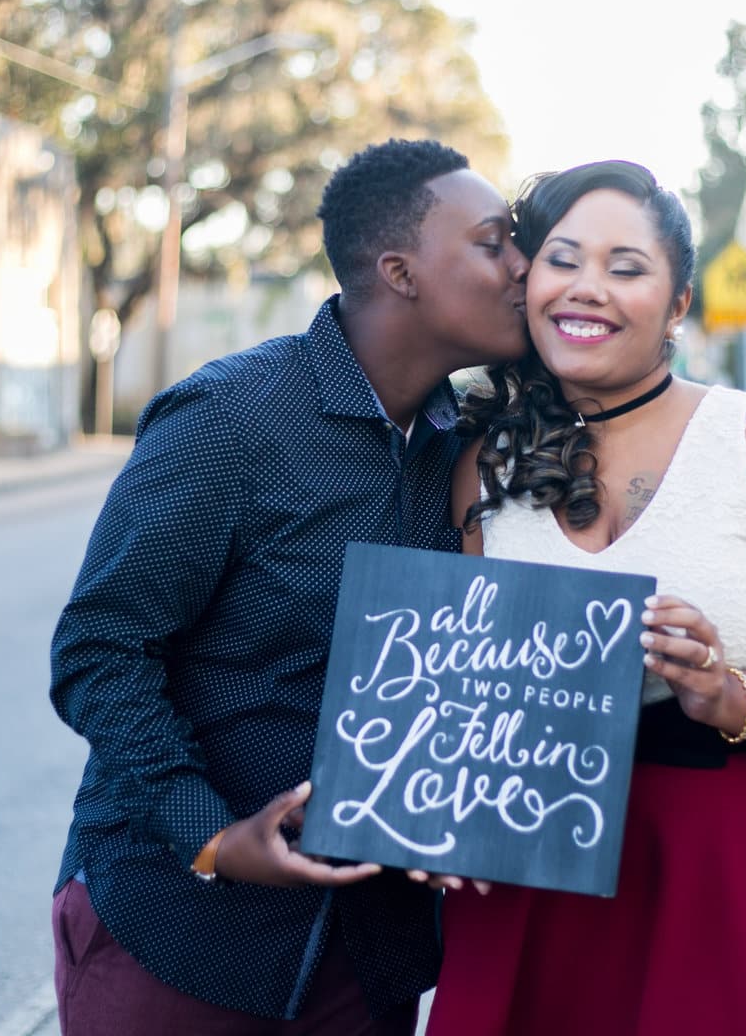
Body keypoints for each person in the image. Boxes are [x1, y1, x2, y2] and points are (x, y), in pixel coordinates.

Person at [47, 138, 528, 1035]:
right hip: (179, 932)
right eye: (495, 242)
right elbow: (97, 652)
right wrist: (214, 838)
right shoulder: (229, 419)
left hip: (369, 957)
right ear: (401, 271)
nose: (522, 267)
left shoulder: (468, 448)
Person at [425, 160, 746, 1036]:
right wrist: (437, 811)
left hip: (718, 879)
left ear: (679, 302)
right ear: (528, 279)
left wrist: (729, 694)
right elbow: (464, 695)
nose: (587, 289)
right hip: (529, 886)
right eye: (564, 259)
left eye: (626, 267)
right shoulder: (482, 468)